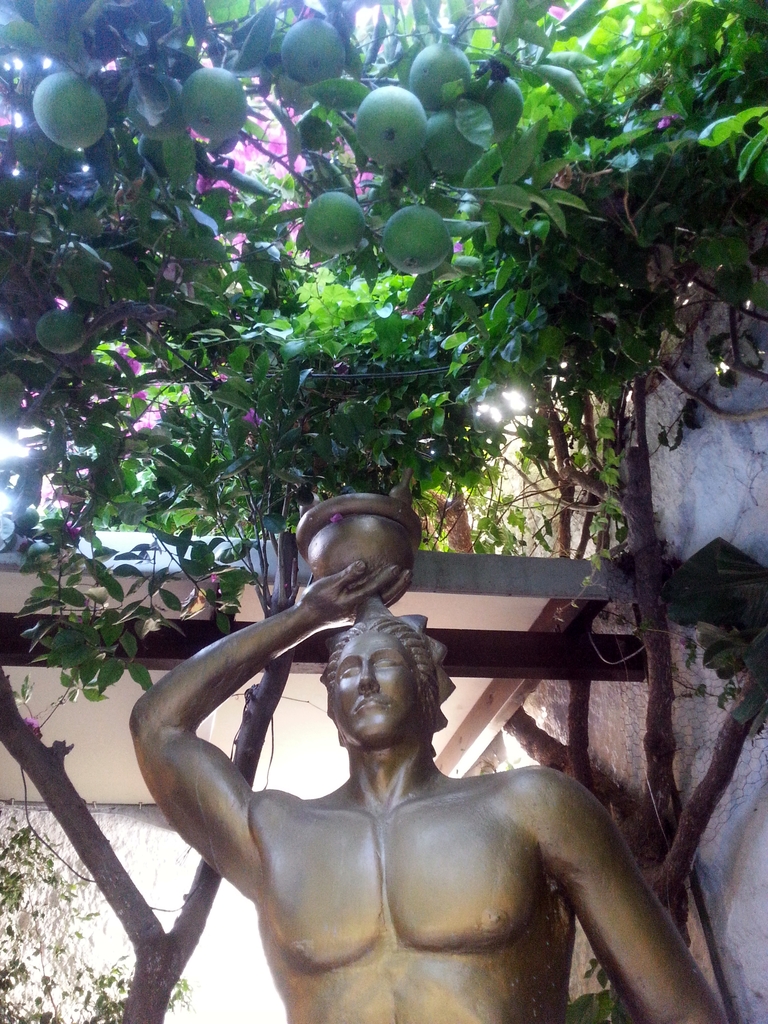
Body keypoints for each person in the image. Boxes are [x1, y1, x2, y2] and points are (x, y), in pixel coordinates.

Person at [130, 560, 725, 1024]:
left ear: (427, 690)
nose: (364, 680)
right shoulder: (277, 833)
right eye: (347, 672)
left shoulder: (533, 807)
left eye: (385, 664)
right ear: (333, 706)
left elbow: (680, 1011)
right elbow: (157, 727)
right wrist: (305, 618)